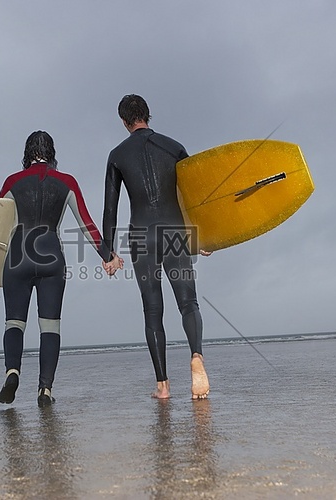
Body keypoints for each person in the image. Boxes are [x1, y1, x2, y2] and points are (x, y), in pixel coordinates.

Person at [102, 94, 210, 400]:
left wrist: (107, 252)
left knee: (152, 310)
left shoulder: (117, 155)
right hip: (175, 232)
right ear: (148, 115)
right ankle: (196, 356)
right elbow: (193, 195)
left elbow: (110, 209)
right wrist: (203, 236)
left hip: (140, 236)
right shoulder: (174, 147)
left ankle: (163, 386)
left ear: (124, 122)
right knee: (188, 303)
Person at [0, 131, 111, 406]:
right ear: (52, 153)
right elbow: (86, 223)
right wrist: (107, 256)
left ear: (27, 152)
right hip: (51, 258)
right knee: (50, 326)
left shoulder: (12, 182)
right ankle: (45, 389)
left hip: (17, 257)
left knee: (14, 322)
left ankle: (12, 372)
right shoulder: (66, 182)